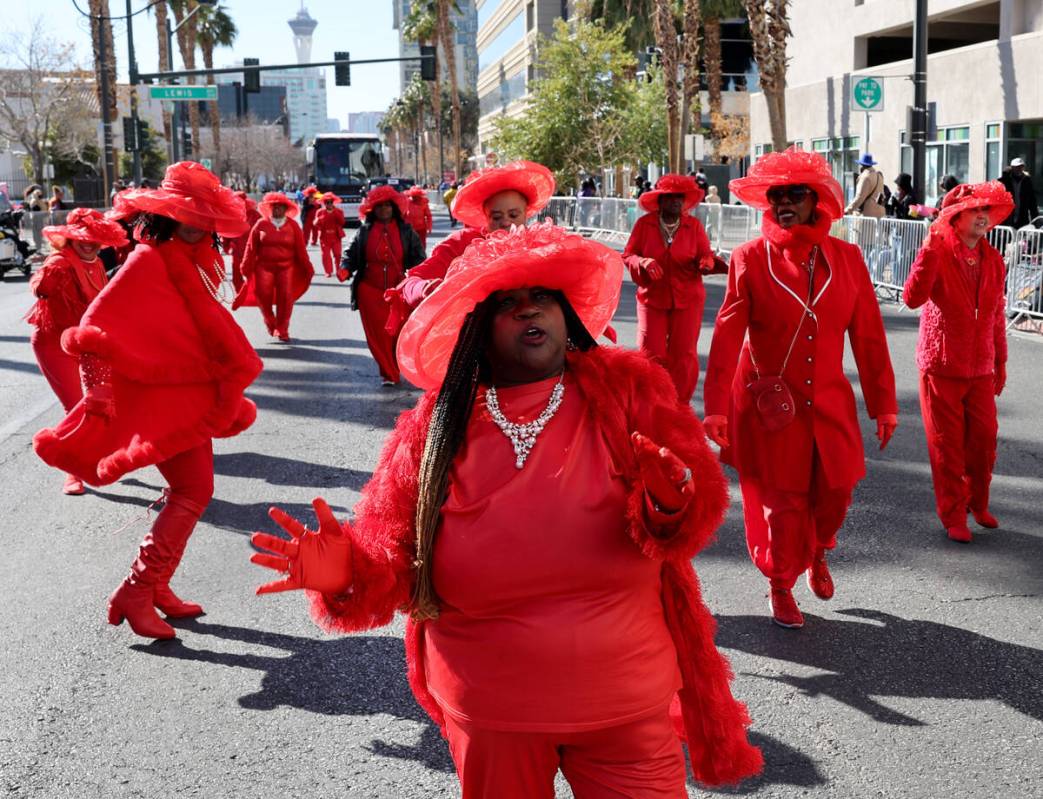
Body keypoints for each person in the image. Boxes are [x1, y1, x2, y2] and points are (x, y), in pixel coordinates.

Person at [250, 222, 763, 796]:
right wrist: (346, 574)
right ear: (477, 330)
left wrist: (672, 502)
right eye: (507, 304)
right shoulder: (435, 425)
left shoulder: (628, 390)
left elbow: (691, 517)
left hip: (624, 696)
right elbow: (391, 554)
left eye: (541, 298)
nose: (528, 313)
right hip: (492, 706)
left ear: (565, 315)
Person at [33, 161, 262, 640]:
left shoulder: (194, 261)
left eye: (204, 217)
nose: (198, 225)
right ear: (167, 216)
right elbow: (94, 325)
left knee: (193, 492)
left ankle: (154, 585)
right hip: (160, 401)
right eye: (188, 215)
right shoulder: (149, 260)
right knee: (193, 492)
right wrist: (96, 393)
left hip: (184, 397)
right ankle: (138, 591)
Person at [703, 148, 899, 629]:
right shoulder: (750, 258)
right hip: (769, 404)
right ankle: (781, 583)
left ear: (818, 201)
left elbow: (869, 336)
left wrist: (884, 405)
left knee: (836, 493)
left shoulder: (848, 259)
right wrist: (715, 409)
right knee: (783, 504)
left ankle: (819, 550)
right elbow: (727, 335)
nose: (784, 202)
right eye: (777, 196)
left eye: (795, 194)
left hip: (830, 400)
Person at [902, 182, 1013, 544]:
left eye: (986, 210)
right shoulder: (937, 251)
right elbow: (913, 298)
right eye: (974, 210)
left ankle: (977, 503)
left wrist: (1000, 360)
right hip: (941, 365)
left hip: (980, 367)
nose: (982, 216)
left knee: (983, 441)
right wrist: (928, 252)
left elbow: (997, 314)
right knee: (947, 445)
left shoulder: (993, 259)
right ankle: (953, 514)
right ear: (956, 216)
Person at [26, 209, 127, 495]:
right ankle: (74, 472)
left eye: (95, 238)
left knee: (102, 403)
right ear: (70, 238)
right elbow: (40, 285)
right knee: (76, 407)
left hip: (86, 346)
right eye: (82, 238)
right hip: (54, 346)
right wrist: (44, 283)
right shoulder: (60, 260)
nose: (88, 243)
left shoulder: (95, 264)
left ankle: (101, 454)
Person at [388, 161, 556, 329]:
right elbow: (410, 283)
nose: (505, 222)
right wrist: (426, 289)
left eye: (513, 215)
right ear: (486, 216)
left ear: (526, 214)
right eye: (496, 217)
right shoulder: (463, 243)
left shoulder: (542, 244)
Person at [623, 173, 716, 404]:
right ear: (660, 200)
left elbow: (707, 254)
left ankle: (679, 404)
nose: (676, 202)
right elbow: (628, 255)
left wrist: (706, 263)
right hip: (652, 296)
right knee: (650, 350)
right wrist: (643, 262)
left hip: (688, 297)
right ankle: (651, 400)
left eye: (680, 198)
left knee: (684, 354)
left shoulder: (693, 226)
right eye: (670, 197)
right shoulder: (644, 225)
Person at [337, 186, 424, 386]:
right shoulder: (364, 231)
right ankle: (388, 373)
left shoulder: (406, 231)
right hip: (370, 291)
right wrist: (345, 268)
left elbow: (419, 259)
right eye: (380, 206)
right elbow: (350, 253)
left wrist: (420, 279)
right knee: (378, 335)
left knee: (399, 331)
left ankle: (397, 364)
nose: (384, 210)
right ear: (372, 210)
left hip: (399, 290)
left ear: (394, 208)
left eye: (387, 206)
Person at [234, 192, 314, 342]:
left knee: (286, 298)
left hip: (286, 267)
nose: (277, 210)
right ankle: (271, 322)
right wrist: (245, 267)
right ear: (270, 208)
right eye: (274, 207)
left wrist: (308, 267)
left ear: (286, 209)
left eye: (280, 207)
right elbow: (251, 247)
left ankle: (282, 329)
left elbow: (301, 250)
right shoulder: (261, 224)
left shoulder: (293, 226)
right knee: (263, 297)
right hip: (264, 267)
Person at [221, 191, 261, 292]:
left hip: (251, 250)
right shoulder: (231, 215)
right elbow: (226, 232)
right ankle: (241, 294)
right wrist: (226, 246)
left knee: (250, 273)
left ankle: (250, 293)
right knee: (238, 275)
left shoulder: (254, 215)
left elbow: (262, 230)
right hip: (239, 250)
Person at [999, 157, 1039, 228]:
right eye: (1016, 167)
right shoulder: (1005, 181)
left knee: (1021, 236)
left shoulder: (1027, 181)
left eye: (1021, 167)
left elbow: (1032, 201)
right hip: (1008, 216)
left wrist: (1035, 218)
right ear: (1012, 168)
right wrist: (1005, 175)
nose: (1019, 169)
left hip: (1022, 216)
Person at [314, 192, 346, 278]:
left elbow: (342, 222)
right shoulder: (320, 212)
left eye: (330, 202)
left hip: (336, 236)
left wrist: (335, 212)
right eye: (327, 202)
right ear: (324, 203)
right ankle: (328, 271)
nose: (329, 204)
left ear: (333, 202)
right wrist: (320, 219)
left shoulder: (339, 211)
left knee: (338, 255)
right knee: (326, 255)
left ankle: (338, 270)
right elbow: (316, 224)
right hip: (325, 237)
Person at [844, 154, 886, 218]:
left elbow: (859, 197)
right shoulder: (879, 175)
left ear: (862, 165)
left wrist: (847, 210)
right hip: (880, 214)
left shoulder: (865, 177)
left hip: (867, 215)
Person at [404, 185, 434, 251]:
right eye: (414, 196)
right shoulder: (406, 202)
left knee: (422, 245)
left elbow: (428, 215)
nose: (415, 198)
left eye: (417, 196)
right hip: (409, 229)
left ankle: (422, 258)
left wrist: (429, 227)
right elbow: (402, 215)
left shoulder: (424, 203)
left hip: (421, 228)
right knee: (409, 246)